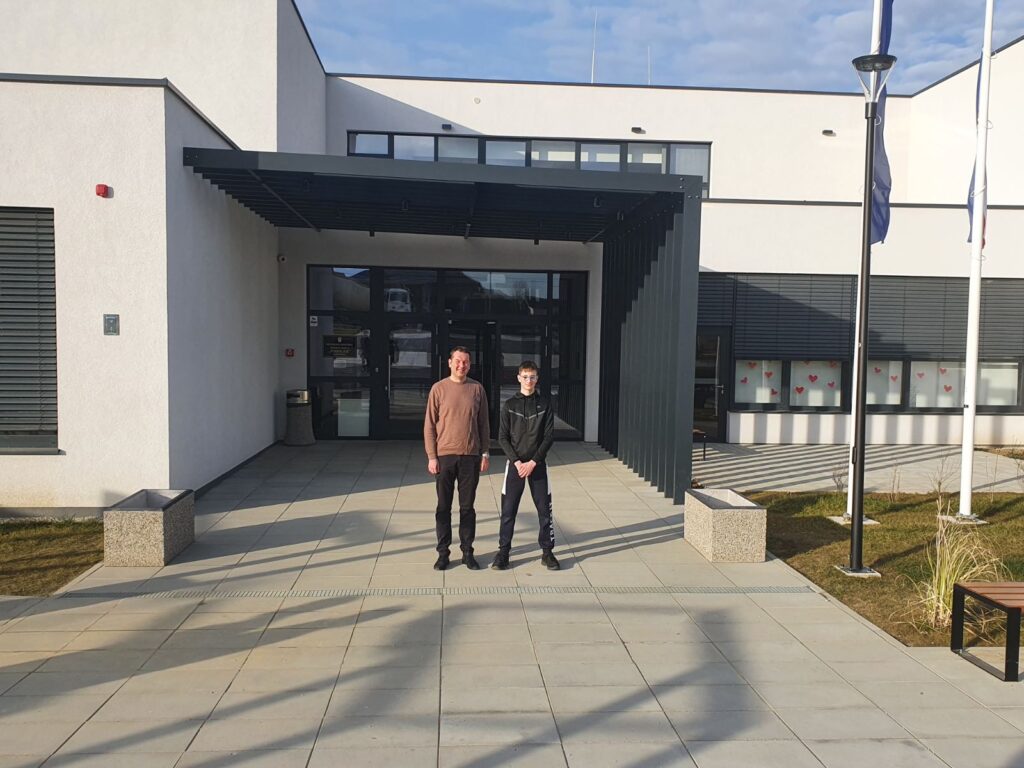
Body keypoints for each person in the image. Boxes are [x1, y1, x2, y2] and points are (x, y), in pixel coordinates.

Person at [424, 346, 490, 571]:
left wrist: (484, 452)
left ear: (470, 365)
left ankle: (467, 552)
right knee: (443, 507)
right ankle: (443, 553)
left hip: (470, 457)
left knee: (467, 508)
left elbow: (484, 424)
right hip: (444, 457)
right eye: (458, 361)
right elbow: (429, 426)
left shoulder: (477, 389)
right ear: (450, 362)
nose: (462, 365)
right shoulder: (438, 388)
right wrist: (432, 457)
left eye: (466, 362)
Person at [493, 360, 560, 570]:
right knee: (508, 512)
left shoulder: (545, 405)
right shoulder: (509, 405)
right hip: (515, 466)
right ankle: (503, 552)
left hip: (537, 466)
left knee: (544, 511)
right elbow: (502, 438)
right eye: (525, 377)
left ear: (537, 379)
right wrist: (517, 462)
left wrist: (533, 462)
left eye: (532, 377)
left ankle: (547, 553)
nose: (528, 380)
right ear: (518, 378)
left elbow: (548, 437)